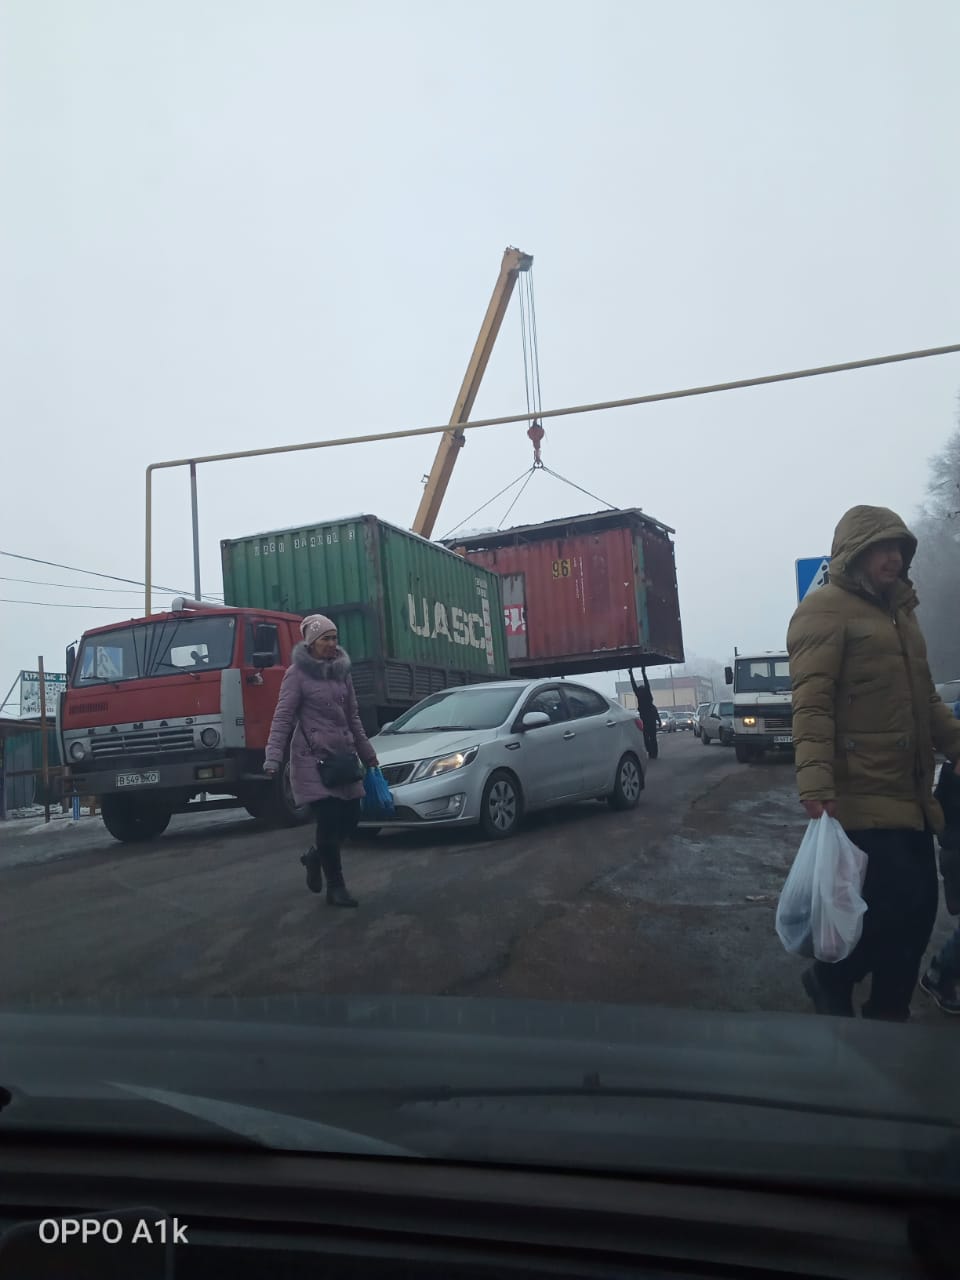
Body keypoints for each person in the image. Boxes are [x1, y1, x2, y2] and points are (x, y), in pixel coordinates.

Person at [787, 505, 960, 1020]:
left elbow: (927, 699)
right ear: (855, 554)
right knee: (879, 916)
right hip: (859, 800)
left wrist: (956, 744)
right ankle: (830, 981)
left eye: (901, 549)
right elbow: (812, 704)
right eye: (883, 548)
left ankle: (889, 1017)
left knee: (917, 917)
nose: (895, 559)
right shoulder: (824, 610)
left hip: (912, 798)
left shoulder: (902, 616)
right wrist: (815, 784)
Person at [264, 614, 378, 907]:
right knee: (328, 820)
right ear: (311, 642)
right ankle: (336, 888)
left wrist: (368, 754)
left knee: (351, 817)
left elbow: (353, 717)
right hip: (312, 760)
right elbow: (282, 717)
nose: (331, 643)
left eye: (334, 637)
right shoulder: (296, 675)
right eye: (325, 638)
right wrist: (273, 757)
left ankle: (315, 856)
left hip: (343, 757)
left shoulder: (342, 673)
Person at [629, 667, 660, 760]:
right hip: (650, 719)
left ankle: (650, 751)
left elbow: (634, 685)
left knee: (646, 737)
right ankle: (654, 753)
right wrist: (643, 672)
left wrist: (631, 674)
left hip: (644, 719)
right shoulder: (647, 694)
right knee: (653, 737)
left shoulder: (639, 694)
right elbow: (646, 683)